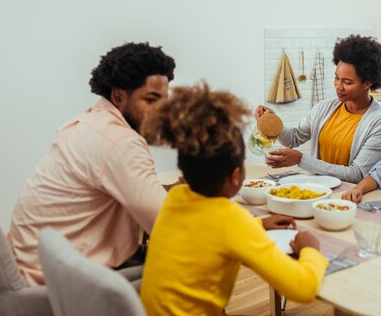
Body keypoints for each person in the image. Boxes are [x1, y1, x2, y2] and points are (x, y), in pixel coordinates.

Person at [140, 83, 328, 316]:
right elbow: (303, 289)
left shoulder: (175, 197)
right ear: (236, 175)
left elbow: (209, 233)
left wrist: (258, 224)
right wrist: (311, 250)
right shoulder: (231, 219)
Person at [8, 42, 176, 285]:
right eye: (151, 100)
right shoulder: (120, 142)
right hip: (59, 282)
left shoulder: (87, 123)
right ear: (118, 96)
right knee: (196, 256)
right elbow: (167, 224)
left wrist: (170, 194)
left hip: (33, 265)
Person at [255, 35, 381, 183]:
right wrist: (271, 122)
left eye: (347, 82)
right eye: (336, 78)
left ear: (368, 83)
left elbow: (357, 174)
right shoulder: (324, 108)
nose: (338, 86)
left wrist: (301, 159)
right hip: (322, 191)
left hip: (356, 196)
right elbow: (293, 138)